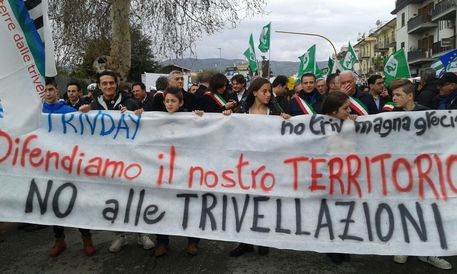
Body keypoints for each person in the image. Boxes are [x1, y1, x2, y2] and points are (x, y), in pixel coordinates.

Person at [389, 78, 452, 270]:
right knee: (404, 209)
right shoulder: (390, 116)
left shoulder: (426, 112)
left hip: (425, 172)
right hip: (401, 173)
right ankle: (404, 246)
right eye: (393, 94)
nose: (394, 98)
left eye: (398, 94)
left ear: (410, 95)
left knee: (428, 210)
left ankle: (429, 252)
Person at [229, 77, 289, 258]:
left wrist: (287, 120)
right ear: (254, 92)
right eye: (264, 91)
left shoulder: (275, 113)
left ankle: (263, 240)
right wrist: (225, 118)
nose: (268, 94)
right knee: (245, 203)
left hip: (268, 166)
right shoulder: (241, 112)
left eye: (270, 91)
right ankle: (245, 242)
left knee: (264, 204)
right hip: (245, 166)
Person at [43, 79, 96, 257]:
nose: (48, 93)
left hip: (70, 167)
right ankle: (59, 240)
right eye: (45, 90)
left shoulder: (69, 112)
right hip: (47, 168)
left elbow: (82, 136)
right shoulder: (37, 113)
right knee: (54, 204)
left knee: (77, 202)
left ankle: (86, 239)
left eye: (51, 89)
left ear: (57, 90)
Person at [154, 87, 203, 257]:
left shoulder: (191, 118)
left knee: (189, 206)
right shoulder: (154, 119)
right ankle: (162, 242)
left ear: (181, 103)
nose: (169, 104)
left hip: (186, 171)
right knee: (163, 204)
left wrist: (202, 120)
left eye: (173, 101)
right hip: (164, 171)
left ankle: (192, 241)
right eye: (167, 101)